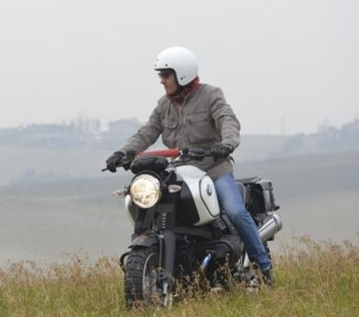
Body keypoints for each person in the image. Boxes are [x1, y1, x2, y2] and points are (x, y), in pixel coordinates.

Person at [104, 46, 274, 286]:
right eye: (161, 75)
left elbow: (227, 119)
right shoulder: (164, 105)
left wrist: (227, 143)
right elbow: (147, 132)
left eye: (166, 75)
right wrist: (122, 153)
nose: (162, 80)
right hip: (181, 172)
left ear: (182, 74)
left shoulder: (211, 95)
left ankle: (263, 268)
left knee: (235, 211)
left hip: (214, 169)